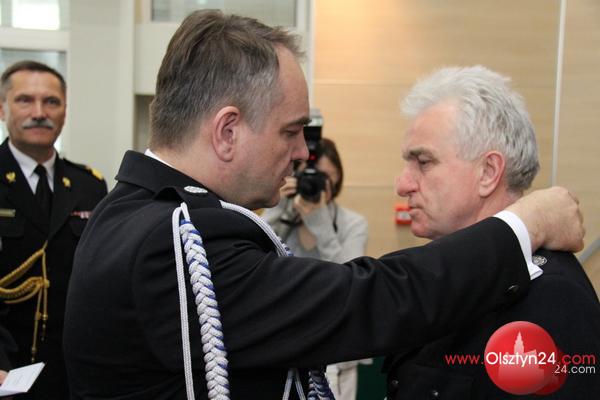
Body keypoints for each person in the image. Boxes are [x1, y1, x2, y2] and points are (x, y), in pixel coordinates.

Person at [62, 10, 584, 400]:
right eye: (292, 131)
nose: (302, 153)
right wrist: (525, 223)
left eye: (423, 162)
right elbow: (365, 300)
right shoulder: (173, 239)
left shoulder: (132, 212)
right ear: (227, 132)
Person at [384, 65, 600, 399]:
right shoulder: (448, 275)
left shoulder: (550, 299)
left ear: (488, 172)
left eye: (423, 162)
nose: (402, 183)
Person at [0, 60, 107, 399]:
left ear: (64, 111)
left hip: (71, 372)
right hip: (6, 369)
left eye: (51, 102)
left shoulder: (89, 186)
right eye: (25, 100)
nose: (39, 112)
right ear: (2, 109)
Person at [262, 137, 372, 400]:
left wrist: (321, 226)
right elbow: (257, 254)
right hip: (283, 344)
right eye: (309, 177)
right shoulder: (284, 219)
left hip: (336, 353)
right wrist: (279, 208)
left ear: (338, 178)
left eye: (325, 178)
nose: (317, 184)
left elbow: (351, 282)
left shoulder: (353, 224)